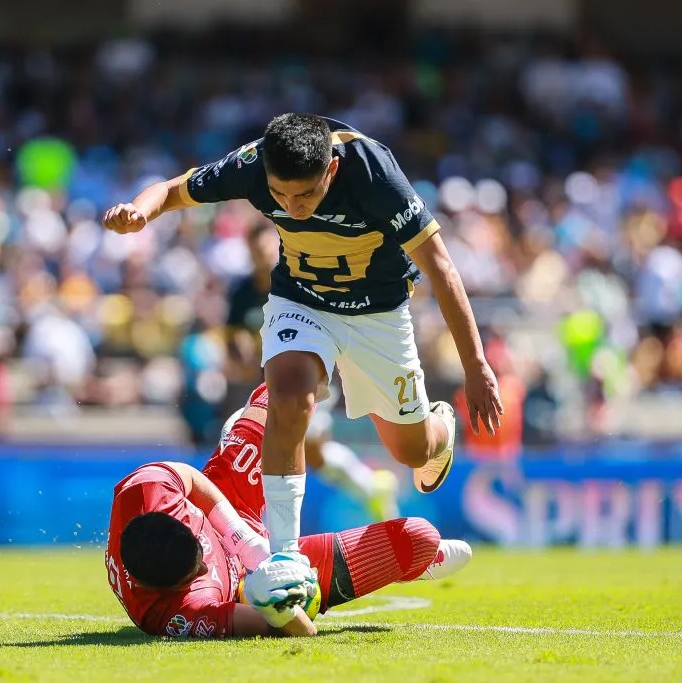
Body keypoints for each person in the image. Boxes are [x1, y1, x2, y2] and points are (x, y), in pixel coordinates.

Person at [104, 113, 503, 558]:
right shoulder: (254, 163)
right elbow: (174, 188)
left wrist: (476, 365)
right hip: (302, 302)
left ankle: (438, 428)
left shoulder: (375, 174)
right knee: (290, 398)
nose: (293, 207)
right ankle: (284, 558)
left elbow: (441, 268)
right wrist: (141, 210)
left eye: (306, 194)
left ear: (331, 169)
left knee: (412, 451)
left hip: (380, 315)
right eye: (280, 194)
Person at [105, 383, 473, 638]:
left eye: (199, 556)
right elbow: (291, 630)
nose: (205, 564)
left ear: (171, 517)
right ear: (171, 589)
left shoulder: (143, 492)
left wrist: (243, 539)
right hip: (245, 584)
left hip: (230, 505)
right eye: (197, 572)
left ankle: (326, 343)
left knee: (279, 401)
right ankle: (410, 565)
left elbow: (187, 476)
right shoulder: (176, 614)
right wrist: (274, 602)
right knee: (418, 537)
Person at [224, 222, 399, 521]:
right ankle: (372, 487)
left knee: (281, 443)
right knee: (315, 454)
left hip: (311, 378)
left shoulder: (296, 281)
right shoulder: (242, 294)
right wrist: (240, 352)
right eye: (256, 251)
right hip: (270, 384)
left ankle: (270, 533)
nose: (262, 256)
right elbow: (233, 340)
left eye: (267, 248)